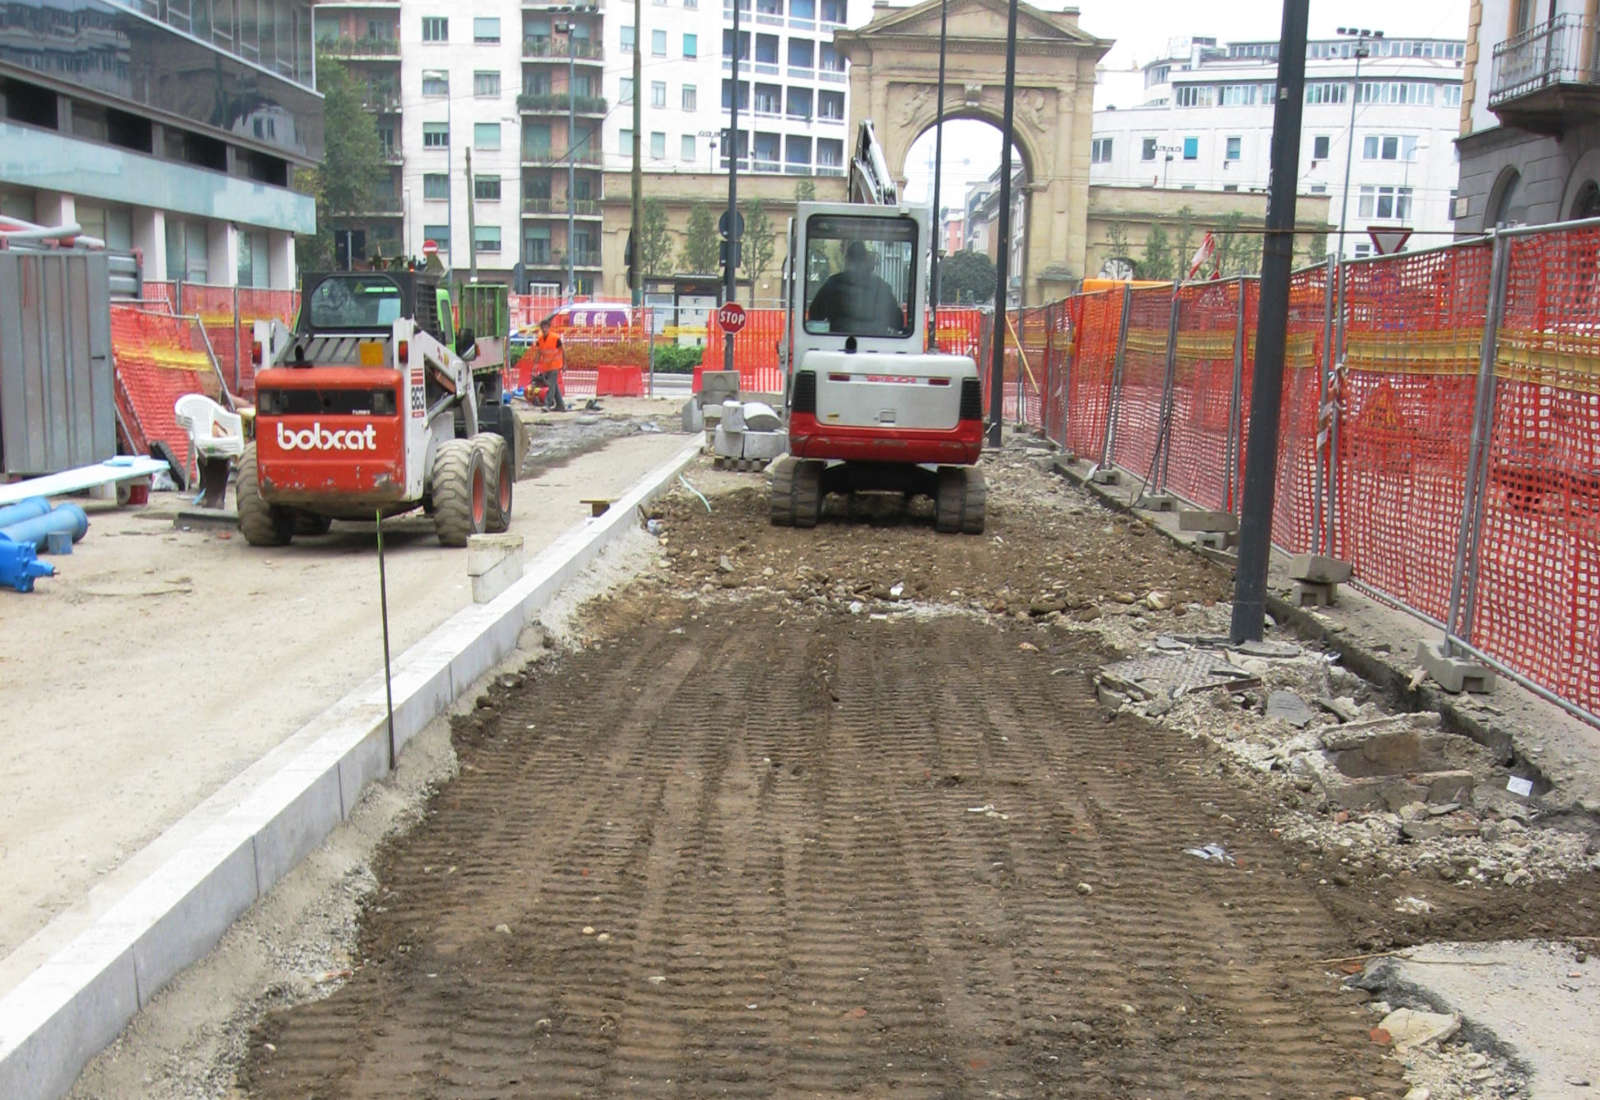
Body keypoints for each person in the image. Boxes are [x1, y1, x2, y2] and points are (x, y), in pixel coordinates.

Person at [808, 240, 905, 336]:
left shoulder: (833, 284)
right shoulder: (881, 287)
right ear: (866, 261)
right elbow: (898, 322)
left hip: (839, 343)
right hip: (875, 344)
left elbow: (814, 314)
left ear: (847, 260)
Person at [532, 317, 567, 412]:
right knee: (554, 385)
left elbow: (563, 350)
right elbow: (539, 353)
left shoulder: (555, 338)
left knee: (551, 385)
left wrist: (564, 364)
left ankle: (547, 404)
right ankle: (560, 405)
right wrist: (535, 365)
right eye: (543, 327)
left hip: (555, 365)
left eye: (546, 327)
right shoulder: (540, 339)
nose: (544, 329)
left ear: (549, 327)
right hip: (547, 366)